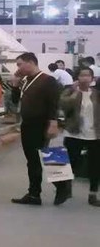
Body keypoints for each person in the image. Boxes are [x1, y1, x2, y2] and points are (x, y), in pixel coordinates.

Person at [10, 52, 62, 206]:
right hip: (28, 124)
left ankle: (62, 186)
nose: (18, 68)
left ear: (31, 62)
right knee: (33, 160)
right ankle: (34, 193)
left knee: (48, 157)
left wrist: (53, 122)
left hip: (42, 124)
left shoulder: (47, 80)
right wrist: (15, 85)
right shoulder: (26, 80)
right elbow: (15, 101)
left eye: (20, 64)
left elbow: (53, 103)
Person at [60, 66, 100, 207]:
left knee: (95, 165)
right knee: (71, 163)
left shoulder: (96, 94)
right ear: (77, 77)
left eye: (88, 75)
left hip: (94, 134)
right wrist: (75, 92)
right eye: (82, 75)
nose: (85, 78)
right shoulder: (70, 91)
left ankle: (93, 194)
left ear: (92, 78)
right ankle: (65, 189)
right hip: (74, 133)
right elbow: (64, 106)